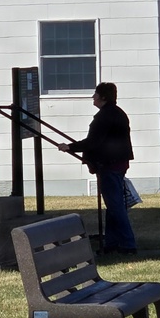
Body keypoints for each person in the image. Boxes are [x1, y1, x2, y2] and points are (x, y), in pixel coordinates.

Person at [58, 82, 136, 254]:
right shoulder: (117, 114)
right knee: (113, 206)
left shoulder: (104, 117)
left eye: (96, 94)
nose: (93, 97)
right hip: (118, 164)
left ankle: (128, 244)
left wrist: (69, 147)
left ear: (103, 97)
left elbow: (94, 142)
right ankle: (112, 243)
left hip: (110, 165)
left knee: (116, 207)